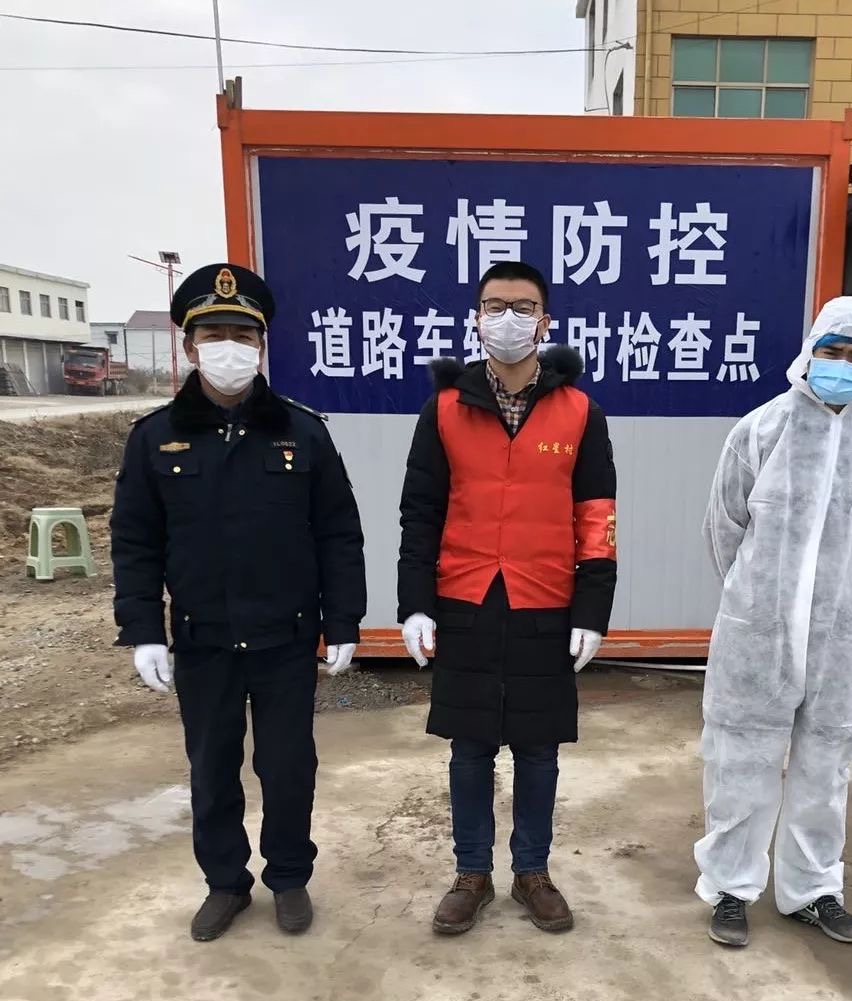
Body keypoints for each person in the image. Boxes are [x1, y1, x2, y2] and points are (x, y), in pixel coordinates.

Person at [110, 263, 366, 942]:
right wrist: (144, 630)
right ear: (191, 347)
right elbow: (134, 541)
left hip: (286, 637)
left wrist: (344, 620)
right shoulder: (155, 437)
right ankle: (225, 883)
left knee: (288, 769)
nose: (230, 348)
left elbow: (338, 532)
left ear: (261, 346)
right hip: (204, 639)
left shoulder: (303, 433)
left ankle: (289, 877)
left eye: (244, 336)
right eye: (214, 335)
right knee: (212, 769)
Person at [397, 261, 617, 936]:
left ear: (544, 322)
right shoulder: (445, 408)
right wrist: (415, 602)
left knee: (538, 749)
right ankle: (472, 873)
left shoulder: (579, 412)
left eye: (523, 308)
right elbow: (420, 512)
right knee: (469, 748)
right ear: (476, 318)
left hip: (545, 600)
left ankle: (531, 872)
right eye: (495, 306)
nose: (509, 319)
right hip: (466, 597)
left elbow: (596, 517)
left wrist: (593, 611)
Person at [695, 296, 852, 948]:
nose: (842, 365)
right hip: (759, 631)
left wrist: (846, 602)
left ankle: (814, 890)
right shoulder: (762, 429)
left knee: (827, 771)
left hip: (846, 637)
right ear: (810, 351)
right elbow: (725, 527)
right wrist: (759, 600)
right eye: (832, 351)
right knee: (741, 761)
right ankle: (731, 889)